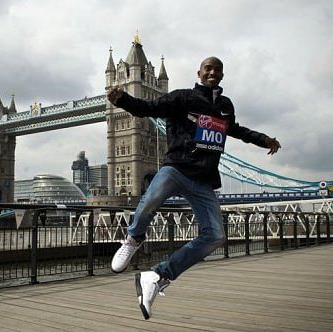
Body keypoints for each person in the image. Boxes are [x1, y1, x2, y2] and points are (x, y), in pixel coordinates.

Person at [107, 56, 281, 320]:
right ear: (199, 73)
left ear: (222, 75)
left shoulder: (224, 105)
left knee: (214, 236)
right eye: (208, 69)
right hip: (177, 167)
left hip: (203, 178)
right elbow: (148, 107)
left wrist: (263, 140)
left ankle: (157, 275)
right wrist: (122, 101)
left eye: (217, 69)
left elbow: (234, 130)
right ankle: (133, 239)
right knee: (151, 200)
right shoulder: (182, 98)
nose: (213, 73)